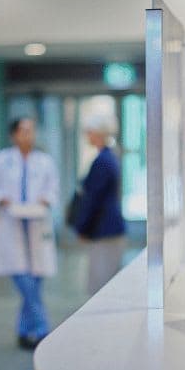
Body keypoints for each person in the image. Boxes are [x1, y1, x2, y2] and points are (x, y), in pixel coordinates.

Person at [0, 118, 59, 350]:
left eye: (31, 130)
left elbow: (53, 188)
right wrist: (1, 200)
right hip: (11, 223)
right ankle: (43, 329)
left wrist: (47, 199)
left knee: (35, 282)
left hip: (37, 225)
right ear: (14, 135)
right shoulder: (1, 160)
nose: (29, 135)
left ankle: (24, 331)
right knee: (26, 283)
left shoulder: (45, 161)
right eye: (24, 131)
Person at [72, 115, 127, 295]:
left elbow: (93, 199)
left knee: (100, 286)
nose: (87, 137)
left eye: (89, 133)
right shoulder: (109, 157)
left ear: (98, 134)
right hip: (108, 229)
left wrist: (83, 228)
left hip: (104, 230)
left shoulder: (102, 161)